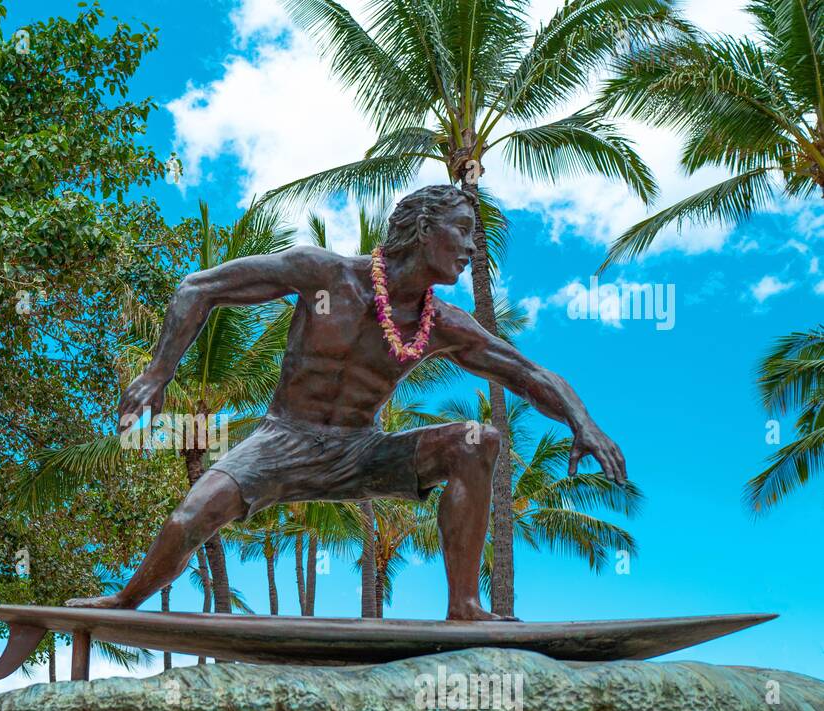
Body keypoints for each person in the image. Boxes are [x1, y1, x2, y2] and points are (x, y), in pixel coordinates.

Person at [70, 184, 626, 621]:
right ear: (424, 228)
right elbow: (199, 287)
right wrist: (157, 372)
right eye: (461, 230)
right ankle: (126, 600)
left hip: (362, 452)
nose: (471, 247)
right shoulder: (325, 274)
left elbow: (527, 372)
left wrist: (584, 422)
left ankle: (464, 605)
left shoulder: (440, 325)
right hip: (282, 441)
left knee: (477, 440)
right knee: (188, 520)